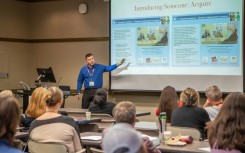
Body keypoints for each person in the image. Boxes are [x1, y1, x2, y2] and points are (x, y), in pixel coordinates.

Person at [29, 87, 83, 152]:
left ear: (44, 101)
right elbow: (79, 149)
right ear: (61, 101)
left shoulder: (34, 124)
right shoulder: (70, 122)